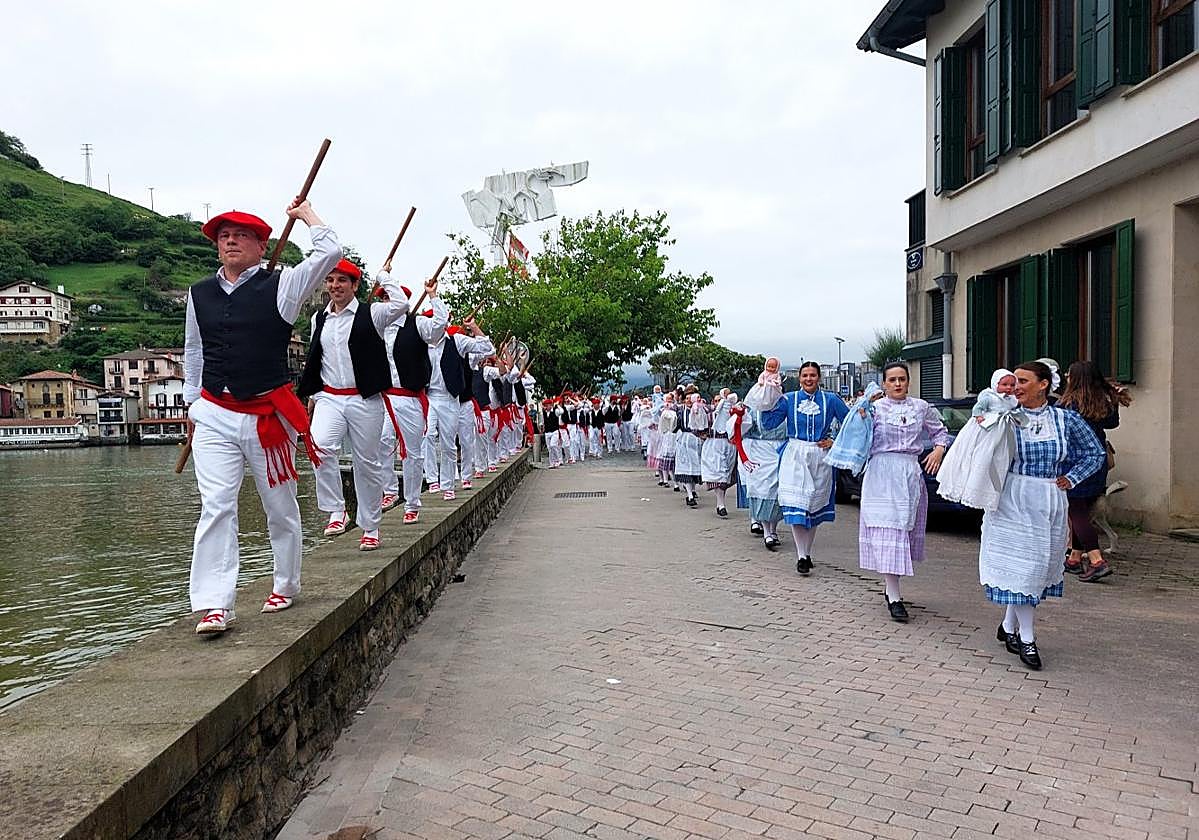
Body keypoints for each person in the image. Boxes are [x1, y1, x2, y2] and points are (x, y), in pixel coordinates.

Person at [183, 200, 341, 634]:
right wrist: (191, 404)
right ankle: (216, 605)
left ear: (261, 246)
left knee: (280, 507)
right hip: (214, 412)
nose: (231, 241)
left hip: (267, 414)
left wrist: (308, 215)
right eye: (224, 236)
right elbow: (194, 351)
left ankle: (286, 583)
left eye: (242, 235)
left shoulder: (283, 286)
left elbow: (330, 253)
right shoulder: (199, 293)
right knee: (216, 505)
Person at [980, 361, 1105, 669]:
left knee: (1034, 568)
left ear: (1044, 384)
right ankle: (1027, 638)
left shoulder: (1065, 419)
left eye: (1023, 381)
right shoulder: (1006, 416)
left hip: (1048, 498)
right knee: (1024, 568)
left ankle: (1008, 626)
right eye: (1014, 382)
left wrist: (1072, 478)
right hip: (1013, 496)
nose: (1016, 387)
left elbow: (1095, 452)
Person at [297, 258, 409, 551]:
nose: (335, 286)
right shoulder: (319, 319)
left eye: (342, 280)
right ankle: (337, 509)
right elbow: (318, 357)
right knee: (320, 447)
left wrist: (383, 276)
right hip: (330, 396)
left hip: (364, 398)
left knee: (366, 463)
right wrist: (313, 396)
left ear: (355, 285)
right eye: (330, 280)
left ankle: (370, 526)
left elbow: (401, 304)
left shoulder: (373, 313)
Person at [858, 362, 951, 621]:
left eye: (902, 379)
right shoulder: (875, 408)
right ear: (884, 383)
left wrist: (938, 450)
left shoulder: (921, 407)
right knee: (888, 530)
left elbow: (940, 432)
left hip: (909, 473)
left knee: (902, 530)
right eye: (892, 380)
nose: (897, 384)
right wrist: (860, 413)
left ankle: (892, 589)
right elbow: (855, 436)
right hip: (881, 473)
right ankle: (894, 595)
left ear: (908, 381)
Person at [757, 361, 850, 574]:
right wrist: (766, 399)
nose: (809, 379)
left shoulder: (831, 400)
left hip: (820, 456)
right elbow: (769, 424)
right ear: (799, 378)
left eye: (812, 375)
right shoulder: (788, 399)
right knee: (796, 505)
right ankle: (801, 555)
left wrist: (835, 440)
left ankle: (806, 552)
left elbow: (849, 422)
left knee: (813, 507)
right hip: (795, 454)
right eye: (805, 375)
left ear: (819, 378)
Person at [377, 270, 444, 524]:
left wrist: (433, 296)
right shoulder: (377, 327)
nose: (386, 304)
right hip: (383, 397)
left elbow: (438, 327)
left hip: (409, 398)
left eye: (389, 299)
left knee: (412, 452)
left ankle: (412, 503)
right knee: (382, 442)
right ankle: (390, 490)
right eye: (383, 299)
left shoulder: (417, 324)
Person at [1058, 360, 1129, 582]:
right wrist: (1114, 400)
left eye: (1069, 374)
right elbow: (1113, 424)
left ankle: (1097, 562)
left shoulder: (1068, 404)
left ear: (1076, 378)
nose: (1066, 376)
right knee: (1084, 511)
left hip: (1074, 465)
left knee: (1077, 513)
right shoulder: (1102, 401)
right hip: (1098, 462)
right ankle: (1074, 559)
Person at [425, 299, 493, 499]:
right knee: (427, 435)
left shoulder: (457, 341)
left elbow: (488, 349)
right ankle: (432, 479)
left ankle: (449, 484)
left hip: (450, 398)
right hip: (429, 397)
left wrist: (474, 327)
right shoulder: (422, 342)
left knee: (450, 443)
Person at [934, 368, 1021, 512]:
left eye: (1012, 385)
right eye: (1004, 384)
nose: (1008, 388)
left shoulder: (1012, 400)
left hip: (1004, 431)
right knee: (982, 455)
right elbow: (977, 408)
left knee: (999, 458)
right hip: (988, 429)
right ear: (995, 384)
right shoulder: (989, 397)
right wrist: (979, 416)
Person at [732, 400, 787, 550]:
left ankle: (773, 529)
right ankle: (766, 531)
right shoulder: (753, 409)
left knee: (777, 491)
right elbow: (738, 430)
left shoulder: (786, 406)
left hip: (780, 450)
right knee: (762, 490)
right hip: (759, 452)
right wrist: (739, 415)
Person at [701, 391, 740, 517]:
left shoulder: (733, 413)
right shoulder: (710, 416)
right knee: (719, 474)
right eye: (717, 401)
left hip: (729, 445)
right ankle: (721, 504)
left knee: (727, 474)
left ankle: (720, 502)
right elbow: (699, 428)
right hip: (714, 445)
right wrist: (703, 433)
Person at [675, 390, 707, 508]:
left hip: (696, 439)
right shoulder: (680, 411)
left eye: (691, 398)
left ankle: (692, 489)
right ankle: (689, 495)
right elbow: (676, 426)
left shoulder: (700, 410)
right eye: (687, 398)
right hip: (685, 439)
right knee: (686, 467)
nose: (689, 401)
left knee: (695, 465)